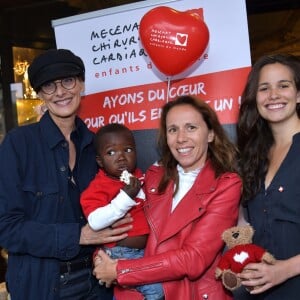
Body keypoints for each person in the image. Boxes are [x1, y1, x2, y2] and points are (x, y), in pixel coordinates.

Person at [0, 48, 132, 300]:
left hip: (98, 283)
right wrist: (77, 235)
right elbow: (6, 228)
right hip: (41, 285)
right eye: (49, 85)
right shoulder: (18, 145)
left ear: (81, 85)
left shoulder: (98, 146)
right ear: (39, 94)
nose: (60, 92)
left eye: (68, 81)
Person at [93, 95, 242, 300]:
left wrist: (120, 270)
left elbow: (194, 259)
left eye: (191, 127)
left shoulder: (227, 184)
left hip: (190, 293)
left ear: (210, 134)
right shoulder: (153, 176)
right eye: (173, 129)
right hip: (135, 293)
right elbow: (124, 227)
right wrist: (102, 260)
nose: (181, 138)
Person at [236, 53, 300, 299]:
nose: (273, 95)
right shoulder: (253, 157)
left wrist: (284, 269)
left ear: (298, 94)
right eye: (264, 88)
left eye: (283, 85)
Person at [80, 123, 163, 299]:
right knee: (156, 291)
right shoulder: (100, 186)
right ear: (100, 161)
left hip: (146, 252)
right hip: (121, 254)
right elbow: (95, 221)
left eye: (128, 149)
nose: (121, 157)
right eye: (111, 152)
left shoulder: (138, 176)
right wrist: (125, 199)